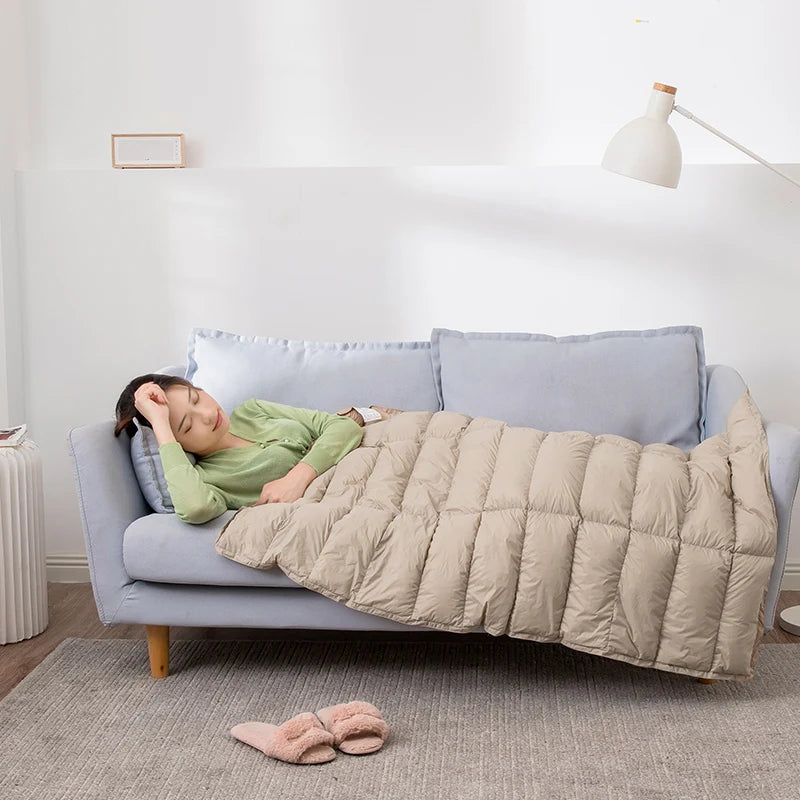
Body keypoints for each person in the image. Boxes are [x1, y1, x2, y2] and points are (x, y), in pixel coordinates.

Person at [114, 374, 375, 525]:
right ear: (176, 443)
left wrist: (297, 477)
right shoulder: (209, 479)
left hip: (368, 461)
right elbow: (195, 508)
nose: (207, 415)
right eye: (188, 426)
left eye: (196, 398)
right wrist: (160, 424)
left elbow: (344, 427)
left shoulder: (251, 410)